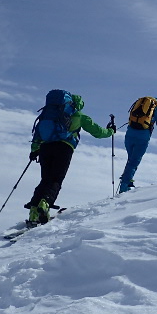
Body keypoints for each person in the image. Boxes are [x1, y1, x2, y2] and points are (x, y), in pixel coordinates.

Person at [27, 92, 114, 225]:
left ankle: (33, 212)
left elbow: (38, 132)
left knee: (45, 179)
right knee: (56, 179)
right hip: (64, 148)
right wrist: (111, 131)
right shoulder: (79, 116)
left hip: (45, 148)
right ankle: (44, 205)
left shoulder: (49, 114)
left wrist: (34, 150)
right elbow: (97, 132)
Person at [118, 96, 157, 193]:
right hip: (142, 138)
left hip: (129, 135)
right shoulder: (156, 111)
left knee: (131, 159)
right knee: (134, 161)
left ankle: (128, 181)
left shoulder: (138, 105)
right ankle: (124, 186)